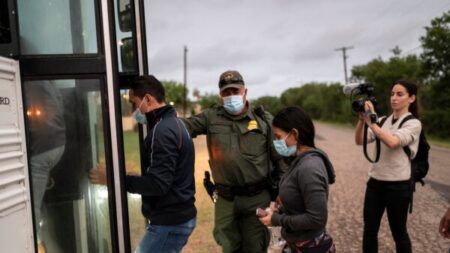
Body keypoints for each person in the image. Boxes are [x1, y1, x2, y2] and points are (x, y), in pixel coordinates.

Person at [181, 70, 288, 253]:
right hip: (225, 199)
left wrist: (284, 191)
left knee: (255, 247)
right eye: (226, 93)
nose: (231, 96)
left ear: (245, 92)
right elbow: (182, 127)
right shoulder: (211, 117)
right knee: (228, 246)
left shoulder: (263, 120)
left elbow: (280, 158)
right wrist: (160, 116)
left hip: (257, 198)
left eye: (235, 91)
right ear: (220, 95)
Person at [90, 75, 197, 253]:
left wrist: (114, 179)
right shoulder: (174, 124)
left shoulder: (161, 131)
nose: (133, 110)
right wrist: (135, 176)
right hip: (178, 218)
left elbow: (158, 185)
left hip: (169, 222)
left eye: (134, 103)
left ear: (148, 98)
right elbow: (167, 176)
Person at [355, 80, 422, 253]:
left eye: (400, 94)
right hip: (375, 183)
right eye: (392, 94)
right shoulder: (382, 120)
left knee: (399, 233)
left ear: (411, 98)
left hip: (398, 187)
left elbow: (393, 142)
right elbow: (358, 140)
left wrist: (372, 123)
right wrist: (362, 120)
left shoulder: (413, 124)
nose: (394, 98)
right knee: (369, 231)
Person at [258, 106, 336, 253]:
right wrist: (282, 205)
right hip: (297, 243)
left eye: (278, 137)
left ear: (294, 134)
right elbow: (300, 201)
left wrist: (276, 219)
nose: (276, 142)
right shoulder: (298, 160)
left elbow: (317, 219)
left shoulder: (309, 167)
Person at [25, 81, 66, 253]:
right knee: (36, 203)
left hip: (42, 148)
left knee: (30, 210)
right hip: (58, 143)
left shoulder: (28, 81)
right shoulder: (47, 82)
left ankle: (38, 245)